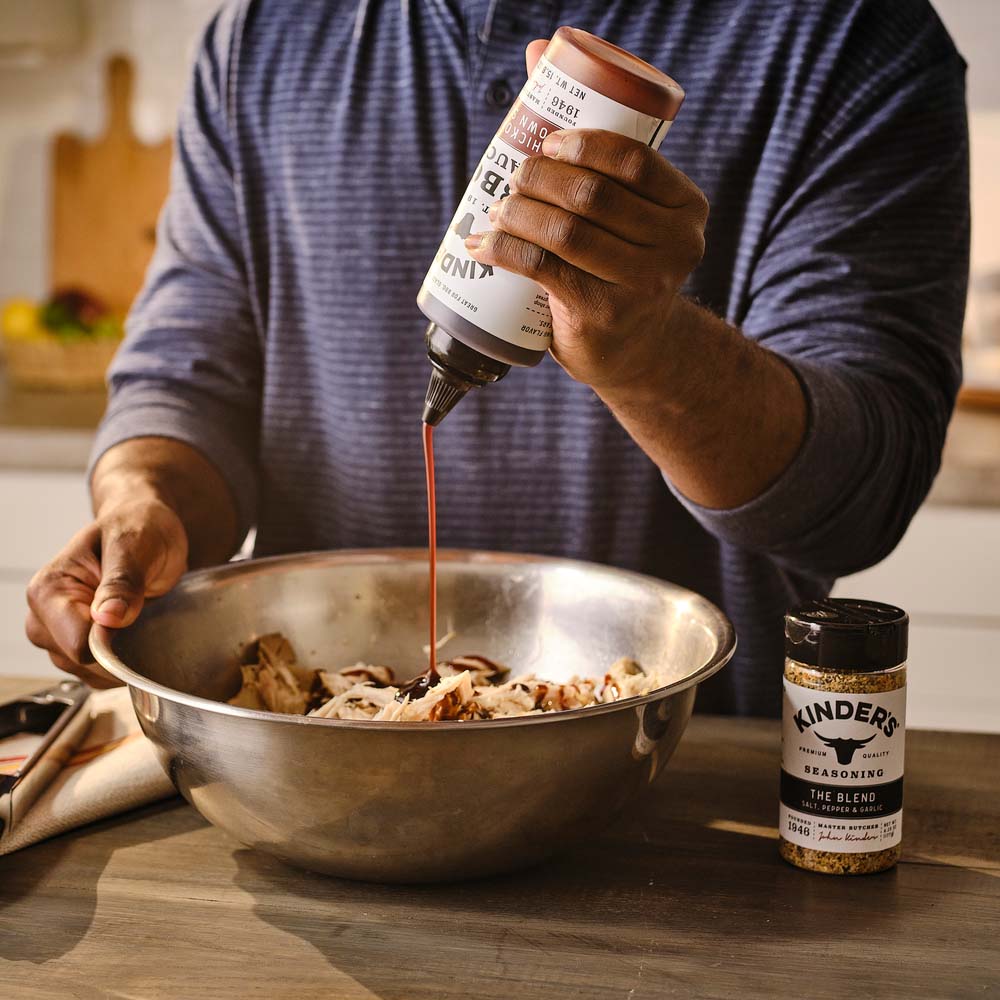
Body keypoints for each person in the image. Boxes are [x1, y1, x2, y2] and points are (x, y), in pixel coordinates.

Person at [25, 0, 968, 715]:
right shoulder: (267, 31)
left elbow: (860, 498)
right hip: (312, 772)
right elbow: (189, 375)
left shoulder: (846, 39)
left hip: (684, 798)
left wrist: (651, 352)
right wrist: (143, 501)